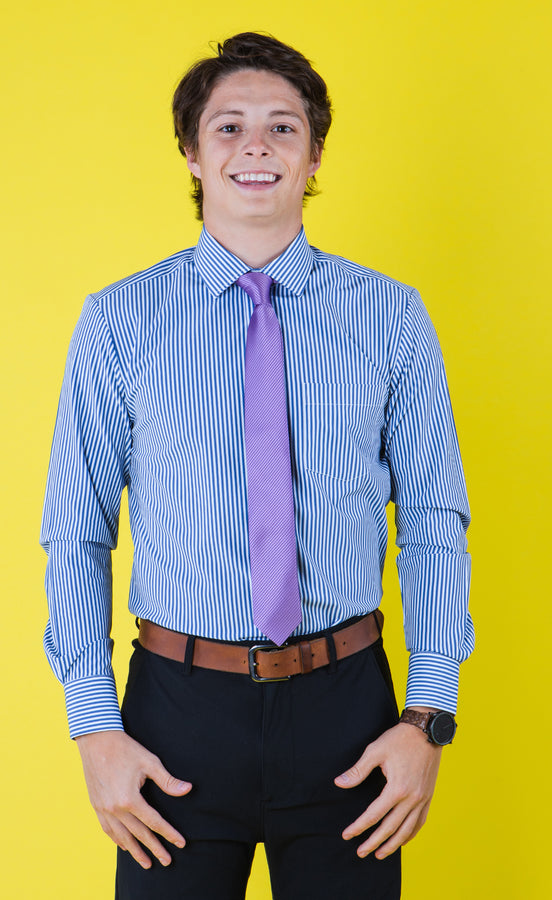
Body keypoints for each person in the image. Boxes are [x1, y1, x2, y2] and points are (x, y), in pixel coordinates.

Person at [41, 32, 473, 900]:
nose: (255, 148)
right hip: (176, 715)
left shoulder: (392, 316)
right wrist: (96, 729)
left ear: (314, 152)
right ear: (192, 153)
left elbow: (433, 518)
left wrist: (426, 717)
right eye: (229, 126)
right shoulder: (119, 321)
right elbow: (77, 531)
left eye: (282, 128)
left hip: (349, 710)